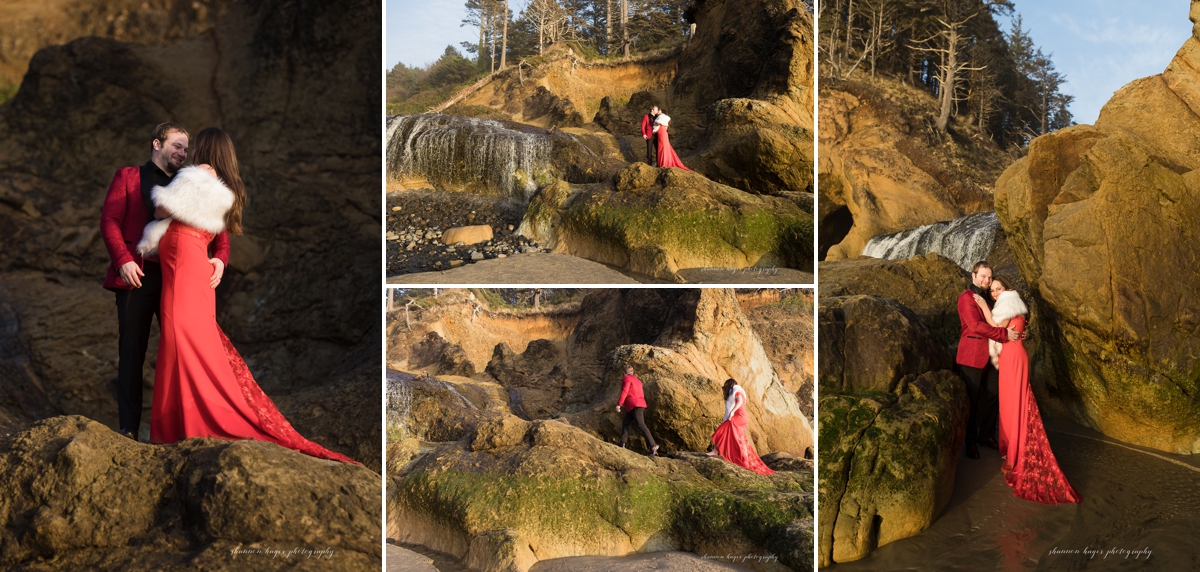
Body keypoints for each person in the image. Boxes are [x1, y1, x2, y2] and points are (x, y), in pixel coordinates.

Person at [137, 127, 356, 464]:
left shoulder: (199, 175)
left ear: (206, 150)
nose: (191, 152)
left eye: (196, 146)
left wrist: (159, 204)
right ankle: (184, 421)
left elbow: (162, 210)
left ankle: (184, 425)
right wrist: (217, 259)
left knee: (180, 340)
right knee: (189, 339)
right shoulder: (226, 186)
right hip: (191, 262)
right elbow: (213, 232)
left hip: (183, 265)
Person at [100, 123, 230, 441]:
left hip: (179, 276)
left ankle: (182, 423)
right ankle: (129, 429)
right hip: (137, 274)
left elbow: (222, 233)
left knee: (180, 348)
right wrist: (123, 261)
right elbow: (109, 220)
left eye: (187, 148)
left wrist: (221, 259)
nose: (183, 153)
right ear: (157, 144)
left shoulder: (193, 180)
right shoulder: (128, 176)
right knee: (131, 349)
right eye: (177, 146)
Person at [974, 276, 1081, 504]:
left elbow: (995, 326)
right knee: (1012, 403)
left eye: (998, 288)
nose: (995, 294)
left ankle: (1016, 453)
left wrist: (983, 306)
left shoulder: (1009, 302)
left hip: (1013, 358)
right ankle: (1012, 448)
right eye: (992, 291)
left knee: (1014, 403)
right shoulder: (1012, 305)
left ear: (1007, 288)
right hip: (1014, 356)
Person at [956, 261, 1022, 460]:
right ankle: (971, 442)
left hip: (994, 355)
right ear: (973, 276)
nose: (986, 280)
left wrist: (1020, 333)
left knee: (994, 395)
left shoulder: (992, 298)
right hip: (972, 356)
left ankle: (986, 435)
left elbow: (1006, 318)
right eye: (983, 276)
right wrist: (1003, 334)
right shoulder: (966, 298)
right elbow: (975, 326)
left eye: (989, 277)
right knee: (973, 401)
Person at [707, 379, 774, 475]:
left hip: (739, 417)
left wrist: (733, 411)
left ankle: (716, 452)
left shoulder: (736, 390)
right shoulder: (737, 391)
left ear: (729, 385)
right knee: (739, 439)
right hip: (742, 417)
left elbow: (740, 401)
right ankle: (743, 459)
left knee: (721, 431)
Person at [616, 364, 659, 456]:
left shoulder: (627, 378)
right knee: (625, 422)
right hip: (638, 404)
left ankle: (653, 445)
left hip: (634, 405)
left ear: (624, 373)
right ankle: (622, 442)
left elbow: (625, 391)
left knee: (641, 425)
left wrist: (619, 404)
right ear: (633, 372)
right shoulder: (637, 381)